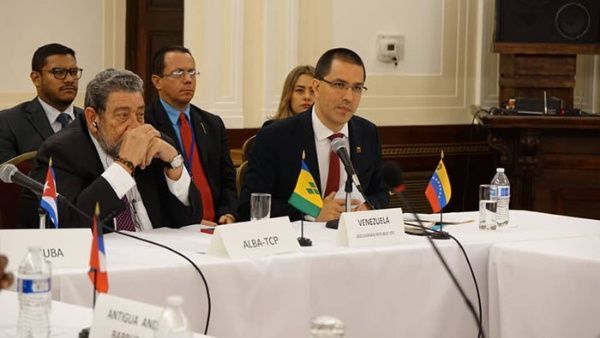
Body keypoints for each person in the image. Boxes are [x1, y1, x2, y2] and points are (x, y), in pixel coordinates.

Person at [19, 69, 202, 229]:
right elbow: (67, 223)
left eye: (140, 114)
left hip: (158, 255)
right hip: (99, 260)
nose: (135, 127)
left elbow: (190, 219)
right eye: (123, 116)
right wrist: (124, 166)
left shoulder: (155, 143)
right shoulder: (61, 152)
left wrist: (175, 163)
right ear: (93, 119)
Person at [239, 48, 389, 222]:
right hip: (298, 243)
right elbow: (249, 206)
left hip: (353, 239)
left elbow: (380, 191)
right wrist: (312, 211)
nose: (349, 97)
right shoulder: (276, 137)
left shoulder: (367, 133)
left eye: (357, 88)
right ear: (316, 87)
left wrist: (369, 207)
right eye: (339, 85)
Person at [145, 46, 238, 226]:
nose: (188, 80)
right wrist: (192, 222)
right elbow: (152, 191)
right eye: (178, 73)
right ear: (157, 81)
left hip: (218, 226)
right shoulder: (146, 125)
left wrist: (229, 212)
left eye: (192, 72)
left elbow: (227, 179)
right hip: (175, 229)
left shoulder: (212, 124)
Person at [0, 43, 83, 163]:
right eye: (59, 72)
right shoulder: (7, 123)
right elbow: (8, 178)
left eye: (74, 72)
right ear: (36, 78)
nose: (70, 79)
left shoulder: (92, 121)